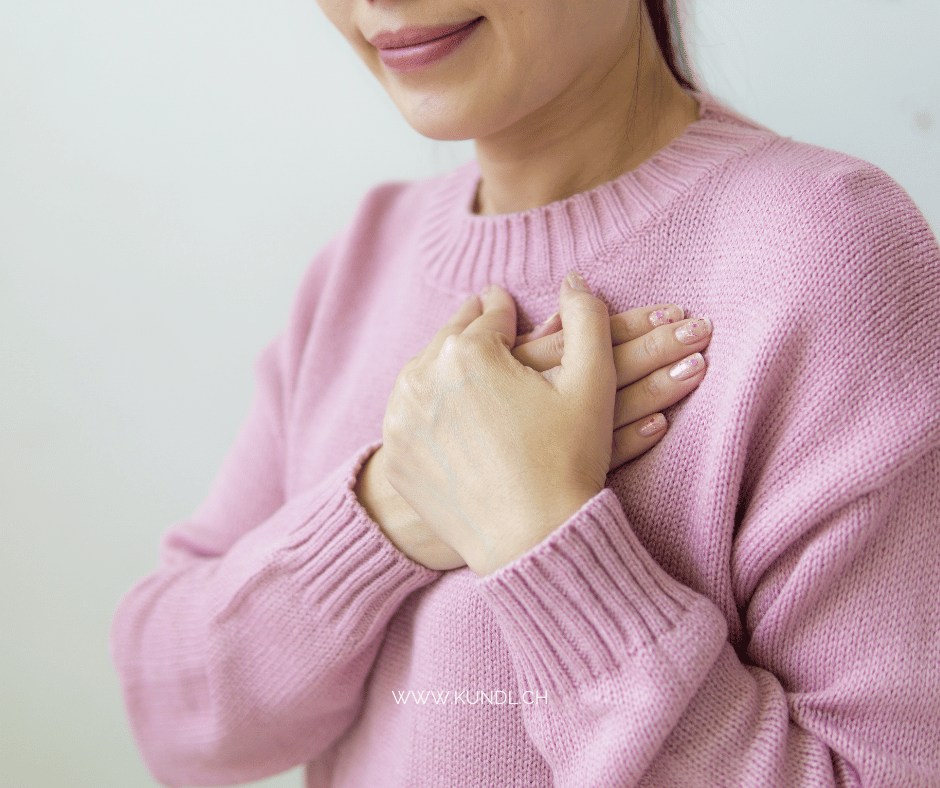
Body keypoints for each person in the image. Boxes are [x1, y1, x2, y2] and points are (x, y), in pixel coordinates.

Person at [110, 0, 940, 786]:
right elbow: (173, 717)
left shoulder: (829, 255)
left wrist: (542, 535)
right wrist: (390, 506)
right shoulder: (362, 260)